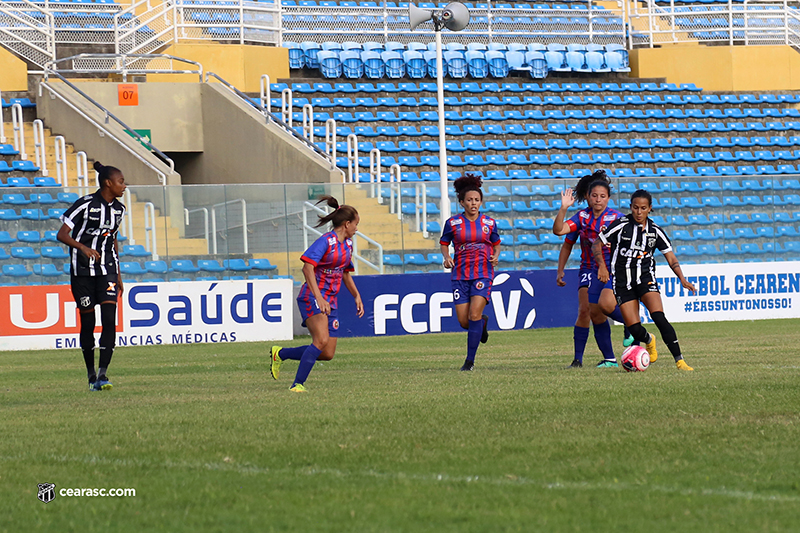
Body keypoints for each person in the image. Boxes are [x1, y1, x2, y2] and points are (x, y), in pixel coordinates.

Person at [593, 189, 697, 371]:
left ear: (650, 209)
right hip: (622, 283)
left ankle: (680, 361)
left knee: (659, 317)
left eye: (643, 208)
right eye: (635, 208)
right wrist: (602, 265)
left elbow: (671, 258)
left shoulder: (655, 231)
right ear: (631, 207)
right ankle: (649, 339)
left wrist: (682, 279)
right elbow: (597, 244)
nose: (638, 212)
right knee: (634, 329)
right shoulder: (620, 225)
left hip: (645, 279)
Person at [270, 196, 364, 392]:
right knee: (320, 341)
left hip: (330, 301)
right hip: (312, 297)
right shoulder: (326, 242)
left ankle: (281, 354)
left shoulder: (347, 246)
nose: (357, 228)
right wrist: (319, 297)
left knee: (327, 353)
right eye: (356, 224)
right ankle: (297, 385)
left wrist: (356, 295)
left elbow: (345, 273)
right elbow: (307, 268)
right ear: (347, 224)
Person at [553, 170, 634, 369]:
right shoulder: (581, 217)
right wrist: (563, 208)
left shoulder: (618, 218)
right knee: (588, 311)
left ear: (609, 198)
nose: (598, 200)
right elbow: (559, 232)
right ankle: (604, 359)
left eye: (603, 196)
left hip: (613, 269)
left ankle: (632, 325)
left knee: (605, 305)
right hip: (588, 268)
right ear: (588, 197)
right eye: (594, 196)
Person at [57, 162, 126, 391]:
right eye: (121, 181)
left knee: (109, 320)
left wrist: (118, 273)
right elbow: (62, 234)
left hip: (106, 270)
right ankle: (90, 375)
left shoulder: (120, 209)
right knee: (88, 323)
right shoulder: (84, 205)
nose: (124, 186)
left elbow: (112, 239)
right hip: (82, 272)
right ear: (108, 183)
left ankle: (104, 375)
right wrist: (82, 248)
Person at [440, 173, 501, 371]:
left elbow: (496, 243)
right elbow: (444, 242)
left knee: (474, 314)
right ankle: (482, 324)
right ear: (461, 203)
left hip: (483, 273)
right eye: (469, 200)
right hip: (460, 275)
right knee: (465, 321)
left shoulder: (489, 223)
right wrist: (447, 257)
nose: (473, 203)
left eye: (476, 200)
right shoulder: (452, 223)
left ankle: (469, 361)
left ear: (481, 202)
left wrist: (495, 256)